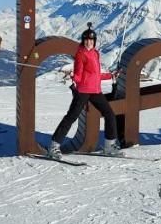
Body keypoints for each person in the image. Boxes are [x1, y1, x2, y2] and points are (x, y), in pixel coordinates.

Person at [47, 23, 121, 159]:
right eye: (86, 40)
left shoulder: (94, 53)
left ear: (94, 41)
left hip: (95, 90)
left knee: (109, 114)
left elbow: (95, 75)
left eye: (91, 40)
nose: (88, 42)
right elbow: (79, 75)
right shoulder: (81, 54)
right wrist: (73, 76)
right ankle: (54, 146)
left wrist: (111, 75)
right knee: (71, 117)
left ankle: (109, 146)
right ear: (83, 41)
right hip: (83, 91)